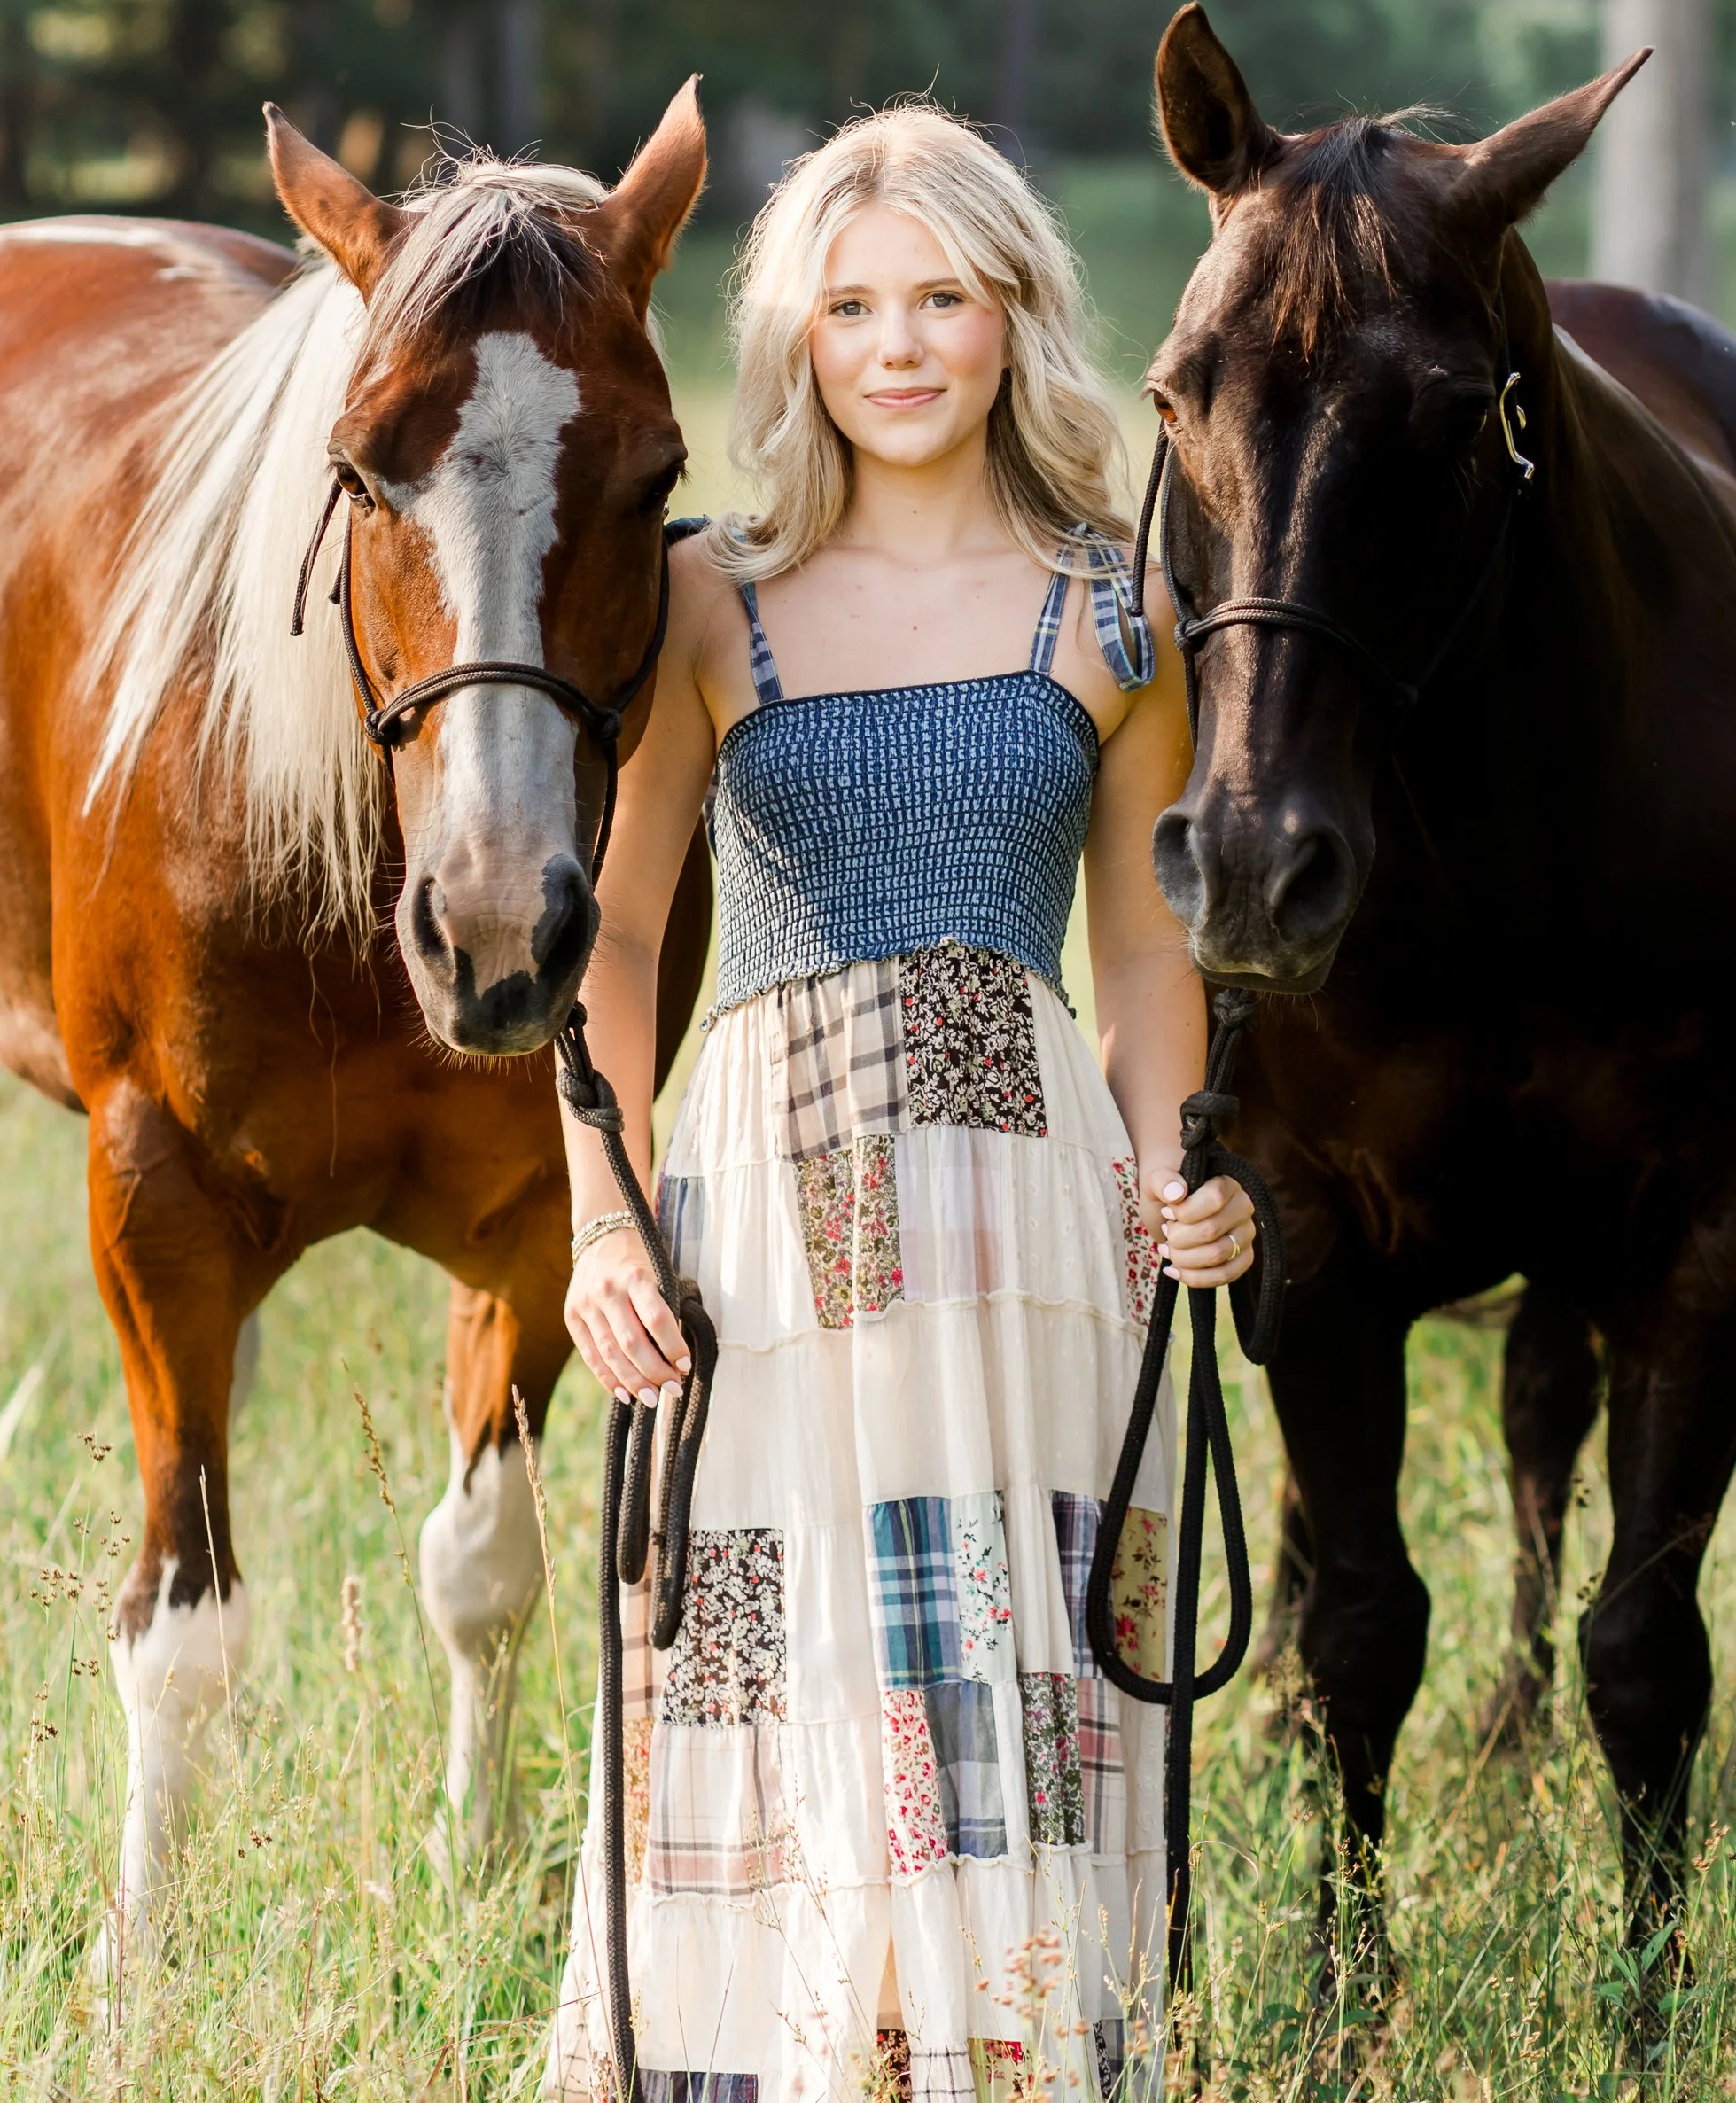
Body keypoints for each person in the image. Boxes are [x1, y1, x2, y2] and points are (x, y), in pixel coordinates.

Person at [549, 105, 1257, 2103]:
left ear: (1010, 315)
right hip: (765, 1210)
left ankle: (1000, 2056)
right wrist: (603, 1218)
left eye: (941, 296)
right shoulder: (710, 594)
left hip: (1021, 1219)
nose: (899, 344)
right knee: (784, 1641)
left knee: (1006, 1651)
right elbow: (609, 942)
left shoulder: (1113, 606)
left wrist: (1170, 1175)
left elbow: (1137, 952)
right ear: (798, 342)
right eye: (852, 306)